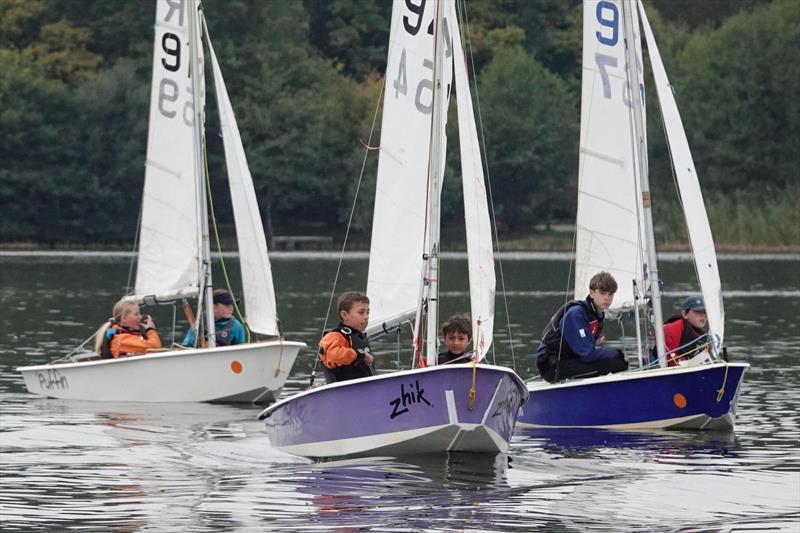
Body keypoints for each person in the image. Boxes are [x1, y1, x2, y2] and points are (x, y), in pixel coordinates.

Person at [534, 271, 628, 382]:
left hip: (570, 360)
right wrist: (617, 353)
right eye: (603, 293)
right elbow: (587, 355)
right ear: (592, 293)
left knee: (617, 362)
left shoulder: (597, 314)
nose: (607, 298)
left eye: (610, 294)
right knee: (615, 363)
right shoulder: (576, 314)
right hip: (553, 367)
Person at [318, 291, 375, 383]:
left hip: (363, 389)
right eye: (361, 312)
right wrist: (360, 355)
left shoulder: (361, 337)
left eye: (367, 312)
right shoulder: (334, 336)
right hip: (341, 392)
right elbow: (333, 357)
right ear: (344, 315)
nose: (366, 317)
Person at [95, 298, 162, 358]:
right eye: (136, 314)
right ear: (124, 318)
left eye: (139, 314)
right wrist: (150, 330)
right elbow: (155, 347)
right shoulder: (120, 338)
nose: (140, 317)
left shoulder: (127, 335)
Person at [181, 289, 246, 347]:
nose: (231, 308)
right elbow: (185, 346)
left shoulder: (236, 326)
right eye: (227, 305)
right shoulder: (199, 326)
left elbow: (242, 351)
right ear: (214, 307)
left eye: (232, 304)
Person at [662, 295, 709, 366]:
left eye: (705, 312)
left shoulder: (704, 336)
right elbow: (669, 361)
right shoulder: (670, 329)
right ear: (684, 314)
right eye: (698, 311)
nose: (703, 315)